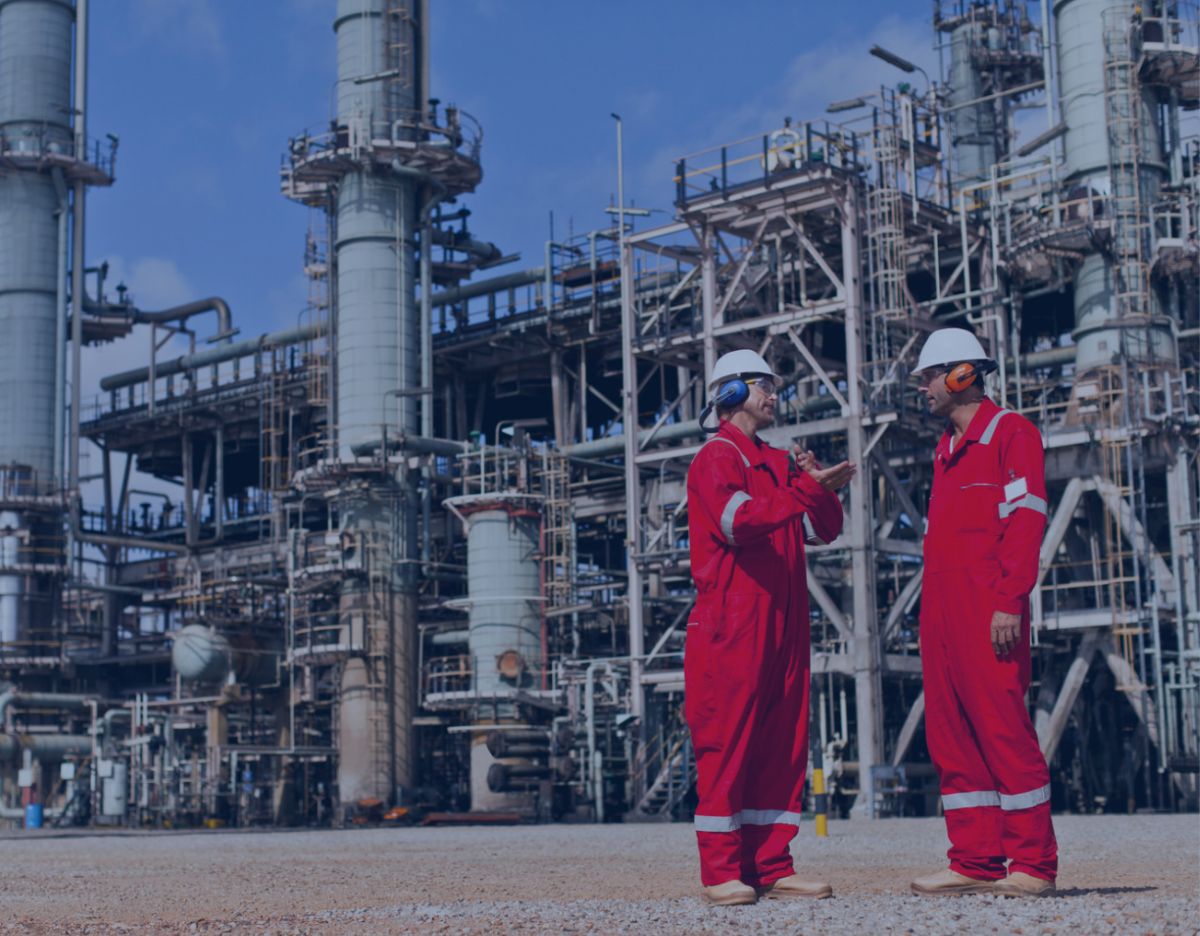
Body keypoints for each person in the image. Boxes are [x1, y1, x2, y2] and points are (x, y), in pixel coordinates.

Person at [685, 349, 855, 906]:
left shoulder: (779, 462)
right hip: (731, 624)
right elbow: (738, 522)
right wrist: (804, 489)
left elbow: (825, 529)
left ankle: (771, 865)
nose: (774, 393)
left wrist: (816, 484)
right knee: (727, 744)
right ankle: (721, 872)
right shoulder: (716, 457)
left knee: (782, 748)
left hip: (783, 626)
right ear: (729, 393)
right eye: (763, 385)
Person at [909, 328, 1058, 898]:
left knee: (1002, 729)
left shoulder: (1010, 433)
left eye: (928, 377)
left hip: (987, 607)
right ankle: (974, 857)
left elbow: (1025, 523)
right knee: (951, 734)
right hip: (941, 614)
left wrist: (1009, 600)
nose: (922, 388)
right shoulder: (946, 451)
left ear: (961, 375)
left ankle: (1034, 863)